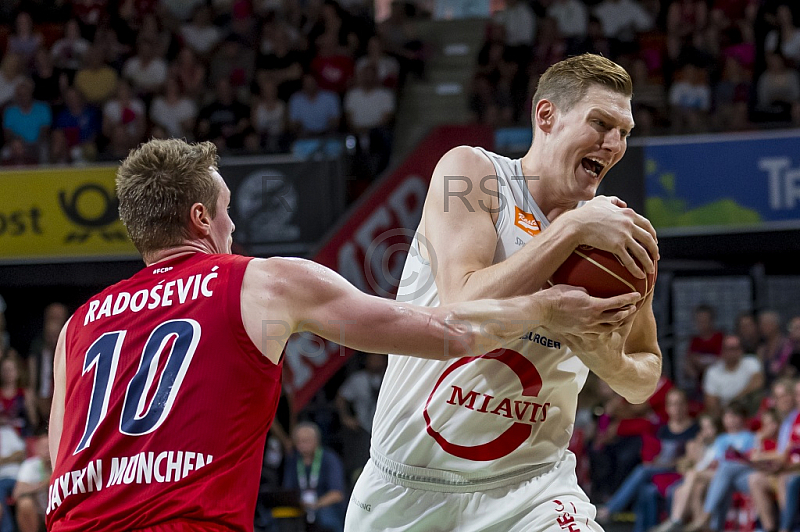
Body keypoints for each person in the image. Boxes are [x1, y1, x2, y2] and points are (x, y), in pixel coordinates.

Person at [46, 138, 642, 532]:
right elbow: (450, 331)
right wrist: (544, 308)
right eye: (226, 209)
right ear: (202, 219)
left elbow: (64, 463)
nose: (233, 224)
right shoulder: (262, 283)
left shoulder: (76, 328)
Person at [345, 53, 661, 531]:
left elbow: (644, 375)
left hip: (533, 491)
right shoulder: (471, 172)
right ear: (546, 116)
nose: (614, 143)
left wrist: (608, 359)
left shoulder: (617, 234)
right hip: (409, 487)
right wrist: (568, 238)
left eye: (625, 131)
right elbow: (461, 309)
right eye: (600, 123)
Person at [284, 422, 347, 532]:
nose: (302, 445)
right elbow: (287, 490)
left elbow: (337, 494)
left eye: (306, 441)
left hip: (325, 506)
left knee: (326, 517)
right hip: (301, 507)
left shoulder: (329, 459)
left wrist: (316, 504)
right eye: (299, 441)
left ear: (316, 440)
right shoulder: (293, 460)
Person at [702, 334, 764, 417]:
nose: (732, 352)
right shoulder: (713, 372)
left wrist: (735, 400)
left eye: (735, 348)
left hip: (747, 408)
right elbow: (711, 402)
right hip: (725, 412)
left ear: (741, 350)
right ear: (722, 351)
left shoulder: (751, 361)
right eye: (728, 349)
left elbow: (758, 382)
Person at [14, 430, 51, 532]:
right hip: (39, 513)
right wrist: (43, 484)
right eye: (44, 447)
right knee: (25, 503)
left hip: (61, 509)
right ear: (37, 449)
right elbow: (17, 492)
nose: (47, 450)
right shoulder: (30, 465)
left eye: (49, 446)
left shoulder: (62, 462)